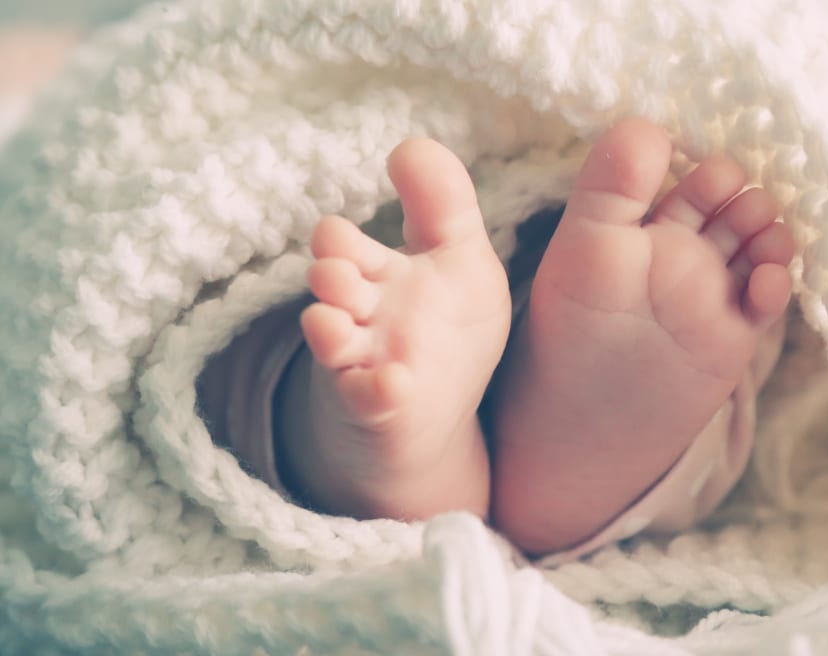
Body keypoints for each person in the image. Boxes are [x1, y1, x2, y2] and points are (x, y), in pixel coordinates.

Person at [197, 118, 794, 561]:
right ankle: (538, 463)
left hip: (349, 284)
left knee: (273, 348)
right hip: (575, 249)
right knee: (287, 329)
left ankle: (364, 428)